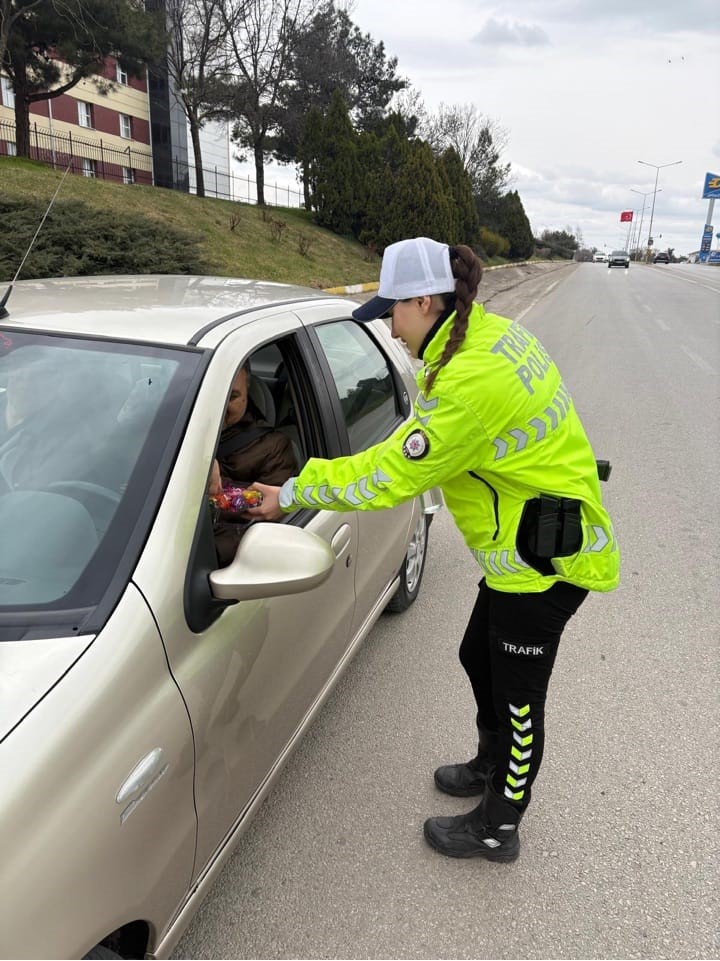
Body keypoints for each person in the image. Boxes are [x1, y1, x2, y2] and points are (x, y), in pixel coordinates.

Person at [249, 237, 620, 863]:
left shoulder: (473, 379)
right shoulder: (483, 335)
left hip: (543, 565)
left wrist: (294, 490)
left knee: (520, 699)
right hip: (523, 547)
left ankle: (499, 826)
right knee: (479, 655)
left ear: (424, 301)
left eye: (392, 312)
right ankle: (488, 762)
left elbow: (393, 474)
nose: (389, 328)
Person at [210, 362, 296, 566]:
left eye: (232, 397)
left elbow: (268, 519)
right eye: (212, 397)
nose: (220, 407)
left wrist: (209, 490)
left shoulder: (274, 447)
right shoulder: (168, 431)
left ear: (248, 391)